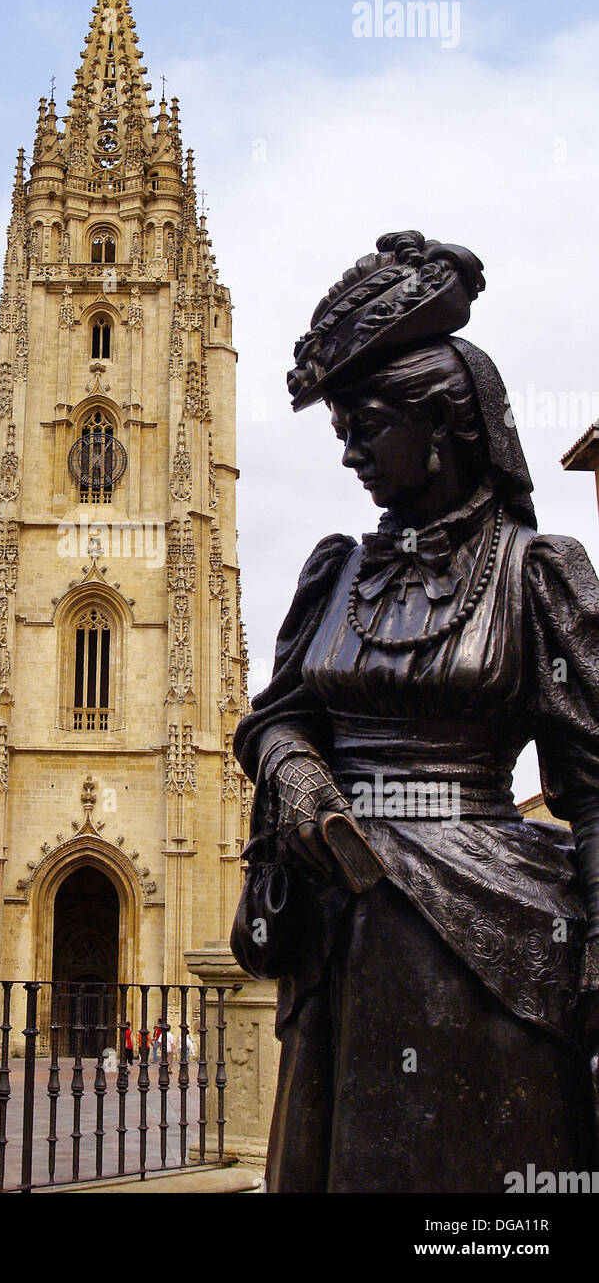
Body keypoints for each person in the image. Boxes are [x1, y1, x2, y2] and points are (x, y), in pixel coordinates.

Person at [231, 231, 599, 1193]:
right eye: (340, 430)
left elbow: (594, 791)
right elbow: (276, 717)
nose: (349, 452)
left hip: (488, 927)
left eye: (368, 427)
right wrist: (299, 776)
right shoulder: (337, 571)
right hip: (340, 918)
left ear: (444, 428)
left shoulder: (534, 572)